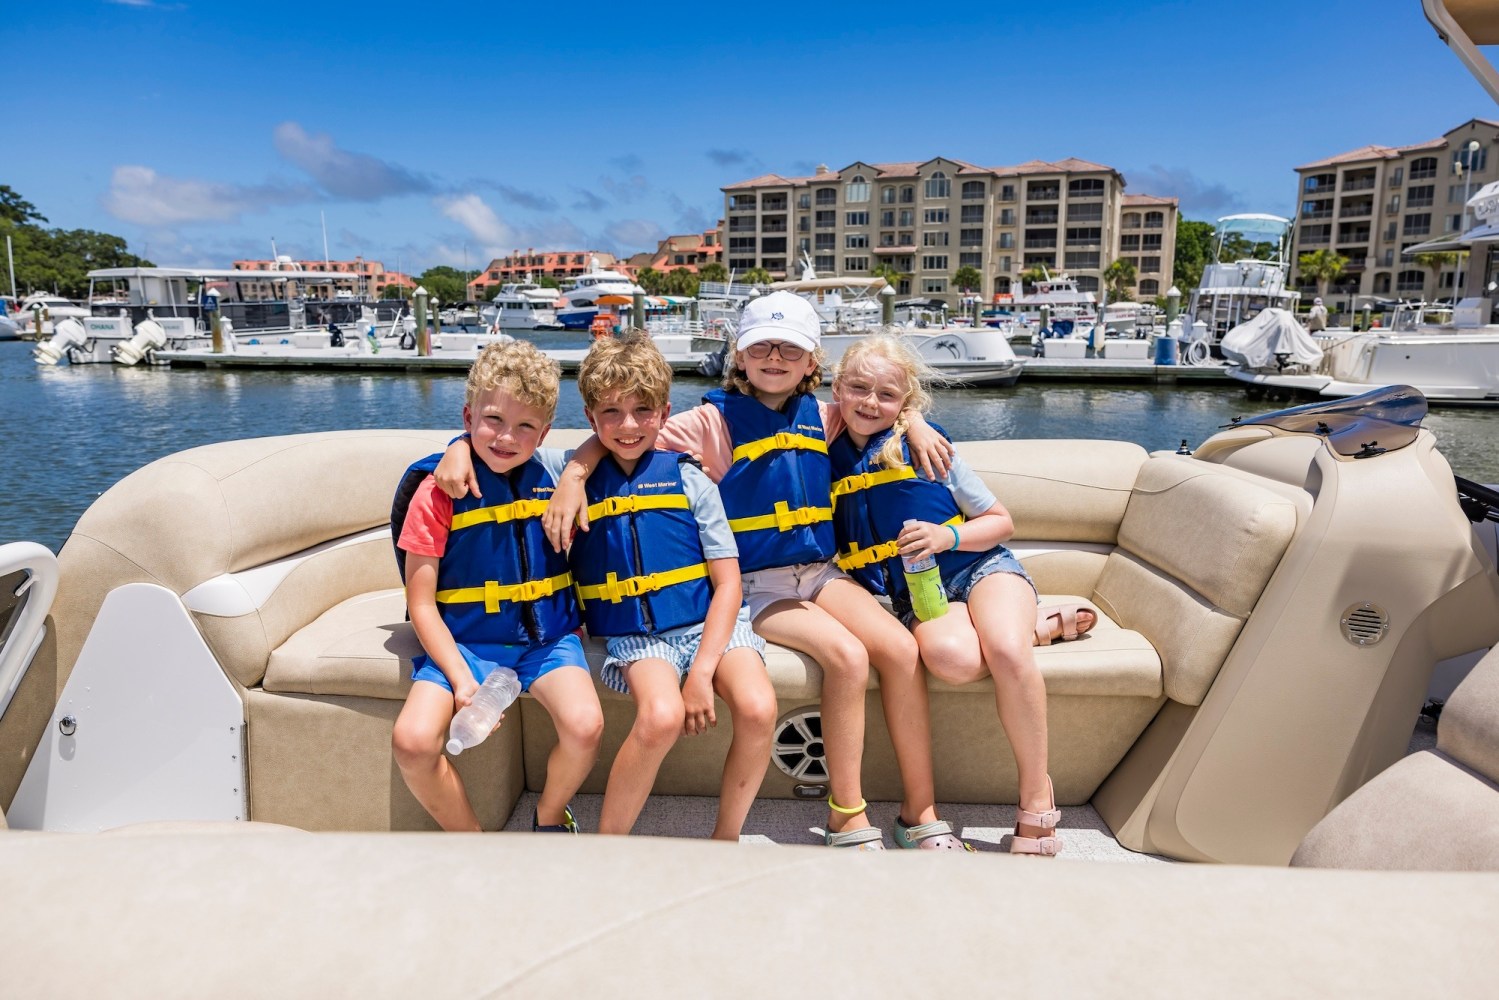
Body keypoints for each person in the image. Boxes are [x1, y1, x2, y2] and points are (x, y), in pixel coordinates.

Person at [435, 293, 958, 850]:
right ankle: (840, 816)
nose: (775, 357)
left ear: (811, 362)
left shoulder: (826, 417)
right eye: (762, 346)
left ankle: (912, 811)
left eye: (791, 349)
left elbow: (872, 404)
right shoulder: (706, 423)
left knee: (896, 652)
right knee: (836, 660)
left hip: (814, 575)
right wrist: (501, 458)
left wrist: (914, 419)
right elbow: (611, 433)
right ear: (738, 355)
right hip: (753, 589)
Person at [828, 335, 1098, 856]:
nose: (869, 403)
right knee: (950, 659)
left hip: (980, 567)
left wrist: (945, 535)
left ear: (905, 403)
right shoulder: (824, 450)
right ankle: (1039, 626)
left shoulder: (929, 447)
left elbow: (1002, 522)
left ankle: (1035, 796)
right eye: (857, 388)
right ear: (838, 388)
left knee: (1005, 650)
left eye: (887, 395)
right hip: (921, 594)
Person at [391, 340, 604, 833]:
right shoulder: (436, 493)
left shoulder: (553, 473)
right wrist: (462, 681)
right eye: (492, 420)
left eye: (526, 426)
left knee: (585, 726)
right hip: (463, 644)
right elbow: (420, 605)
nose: (507, 437)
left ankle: (550, 817)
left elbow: (600, 444)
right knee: (413, 741)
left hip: (544, 642)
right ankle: (472, 841)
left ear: (544, 432)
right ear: (468, 415)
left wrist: (574, 477)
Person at [570, 332, 776, 839]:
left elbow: (727, 585)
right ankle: (607, 845)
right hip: (640, 635)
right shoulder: (570, 480)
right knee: (660, 716)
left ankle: (725, 837)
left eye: (643, 410)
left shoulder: (691, 481)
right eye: (611, 413)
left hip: (712, 623)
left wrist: (703, 671)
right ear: (591, 419)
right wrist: (575, 472)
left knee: (759, 707)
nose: (629, 425)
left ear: (664, 414)